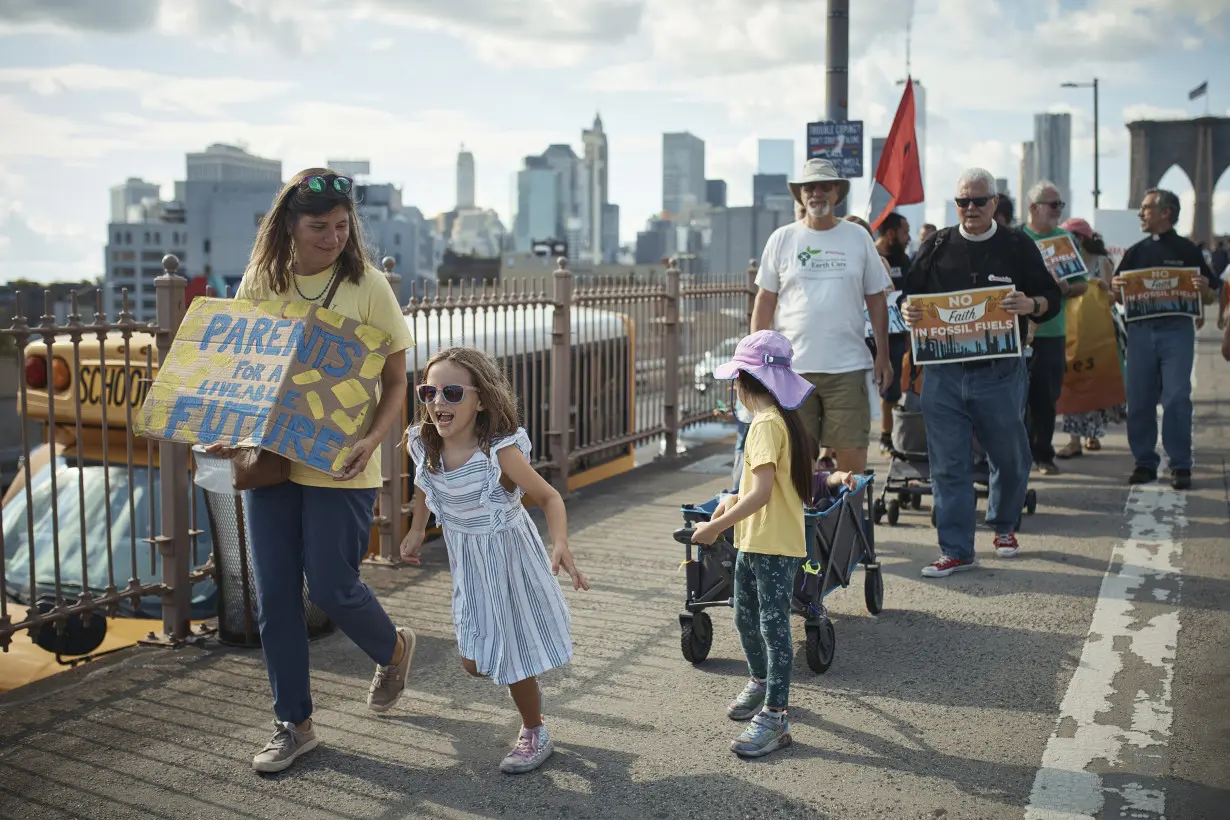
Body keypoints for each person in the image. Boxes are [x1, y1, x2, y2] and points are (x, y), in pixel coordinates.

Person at [206, 168, 417, 773]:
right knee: (274, 598)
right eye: (319, 226)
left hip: (341, 458)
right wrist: (229, 428)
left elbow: (396, 381)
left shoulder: (368, 285)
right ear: (289, 226)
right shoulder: (260, 281)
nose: (332, 238)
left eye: (342, 226)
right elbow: (239, 367)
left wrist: (375, 440)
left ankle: (393, 646)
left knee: (330, 585)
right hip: (272, 457)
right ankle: (293, 724)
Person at [399, 347, 589, 774]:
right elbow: (425, 489)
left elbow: (549, 497)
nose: (437, 403)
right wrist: (415, 529)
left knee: (510, 653)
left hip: (508, 559)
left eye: (451, 393)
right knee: (473, 661)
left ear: (480, 399)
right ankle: (521, 679)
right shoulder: (424, 444)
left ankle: (534, 730)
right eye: (428, 391)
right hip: (468, 561)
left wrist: (559, 542)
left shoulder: (498, 454)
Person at [901, 167, 1062, 577]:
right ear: (955, 204)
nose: (970, 208)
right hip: (944, 374)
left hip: (1001, 371)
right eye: (962, 201)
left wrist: (1032, 306)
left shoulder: (1017, 244)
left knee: (1009, 457)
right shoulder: (936, 246)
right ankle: (956, 549)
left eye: (978, 201)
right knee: (947, 464)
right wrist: (907, 310)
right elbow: (908, 297)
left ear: (994, 203)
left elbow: (1052, 297)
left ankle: (1004, 523)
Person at [690, 330, 815, 759]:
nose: (732, 388)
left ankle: (776, 715)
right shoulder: (781, 421)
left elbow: (762, 494)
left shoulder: (764, 426)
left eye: (735, 379)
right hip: (757, 541)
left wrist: (715, 526)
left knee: (772, 627)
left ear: (745, 382)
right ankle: (762, 683)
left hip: (772, 546)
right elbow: (762, 488)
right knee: (745, 618)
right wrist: (730, 502)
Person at [750, 158, 894, 475]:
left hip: (848, 367)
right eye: (810, 187)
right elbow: (765, 300)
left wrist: (883, 354)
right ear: (800, 195)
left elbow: (876, 298)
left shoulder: (858, 237)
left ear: (836, 193)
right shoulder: (782, 239)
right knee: (795, 464)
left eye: (824, 186)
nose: (817, 193)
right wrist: (755, 361)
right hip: (792, 370)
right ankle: (804, 525)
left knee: (852, 460)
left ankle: (851, 523)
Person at [1110, 188, 1219, 490]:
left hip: (1177, 331)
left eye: (1145, 208)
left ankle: (1180, 465)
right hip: (1140, 332)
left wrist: (1204, 287)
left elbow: (1210, 296)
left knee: (1176, 398)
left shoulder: (1187, 250)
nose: (1140, 214)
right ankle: (1144, 462)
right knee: (1140, 399)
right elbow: (1114, 294)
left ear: (1165, 212)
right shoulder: (1135, 252)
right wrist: (1115, 286)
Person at [1019, 181, 1089, 475]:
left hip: (1052, 333)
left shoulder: (1064, 240)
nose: (1059, 210)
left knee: (1046, 397)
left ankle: (1043, 455)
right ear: (1034, 208)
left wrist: (1065, 288)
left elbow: (1081, 285)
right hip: (1019, 333)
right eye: (1053, 204)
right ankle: (1018, 455)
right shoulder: (1016, 238)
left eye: (1061, 204)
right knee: (1017, 398)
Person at [1055, 218, 1125, 458]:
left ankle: (1092, 434)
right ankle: (1074, 440)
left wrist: (1105, 290)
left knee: (1094, 381)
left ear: (1081, 238)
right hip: (1071, 330)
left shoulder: (1102, 262)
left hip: (1097, 331)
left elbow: (1115, 296)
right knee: (1071, 381)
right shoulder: (1063, 263)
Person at [874, 212, 913, 454]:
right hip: (863, 334)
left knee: (892, 388)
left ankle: (886, 435)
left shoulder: (905, 260)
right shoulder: (867, 256)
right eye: (904, 232)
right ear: (890, 234)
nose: (908, 238)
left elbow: (910, 295)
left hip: (896, 334)